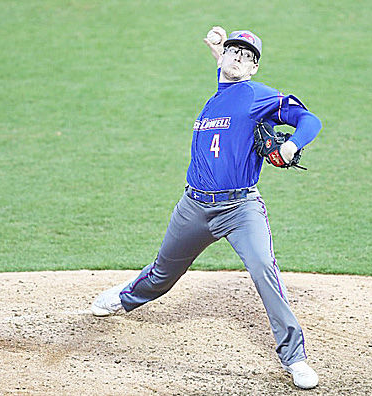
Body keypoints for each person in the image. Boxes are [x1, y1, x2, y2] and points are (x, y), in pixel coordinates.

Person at [91, 26, 322, 390]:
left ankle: (295, 358)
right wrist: (218, 50)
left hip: (240, 208)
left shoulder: (258, 96)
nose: (237, 59)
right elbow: (227, 76)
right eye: (233, 52)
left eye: (247, 57)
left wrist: (292, 145)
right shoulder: (222, 91)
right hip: (193, 206)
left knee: (264, 269)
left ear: (254, 68)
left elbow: (311, 120)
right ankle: (124, 297)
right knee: (162, 274)